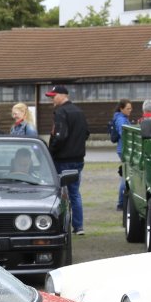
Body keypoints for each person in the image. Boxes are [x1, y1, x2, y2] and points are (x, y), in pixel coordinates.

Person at [46, 86, 90, 235]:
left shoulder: (60, 112)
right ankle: (79, 226)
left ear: (62, 96)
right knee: (75, 193)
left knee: (61, 193)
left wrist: (51, 152)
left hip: (62, 159)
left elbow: (60, 136)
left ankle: (60, 226)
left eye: (53, 96)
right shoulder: (79, 112)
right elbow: (86, 133)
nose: (52, 99)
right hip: (78, 159)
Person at [111, 100, 133, 211]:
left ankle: (122, 203)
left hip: (123, 150)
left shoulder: (122, 118)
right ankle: (121, 203)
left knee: (126, 175)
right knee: (126, 177)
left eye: (130, 108)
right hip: (124, 150)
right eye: (128, 108)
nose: (130, 110)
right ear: (121, 108)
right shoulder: (121, 119)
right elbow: (124, 133)